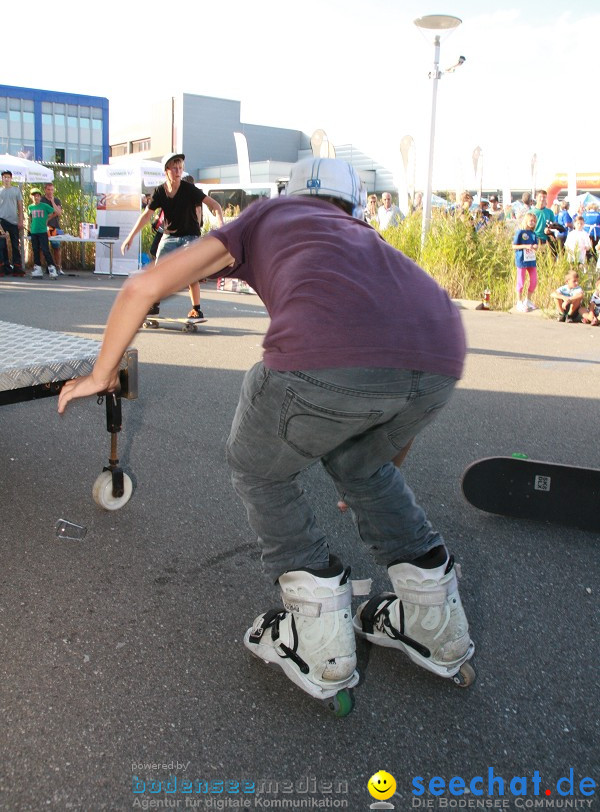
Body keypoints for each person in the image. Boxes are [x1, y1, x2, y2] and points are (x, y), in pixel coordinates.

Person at [58, 157, 474, 705]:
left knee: (259, 465)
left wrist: (101, 373)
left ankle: (321, 637)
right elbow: (399, 396)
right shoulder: (368, 239)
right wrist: (371, 475)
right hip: (444, 354)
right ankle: (436, 623)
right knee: (361, 464)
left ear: (291, 195)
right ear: (350, 207)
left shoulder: (267, 216)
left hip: (323, 356)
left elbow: (142, 286)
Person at [120, 153, 224, 320]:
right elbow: (146, 215)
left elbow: (215, 205)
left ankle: (196, 309)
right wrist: (130, 237)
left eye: (180, 168)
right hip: (169, 237)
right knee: (157, 271)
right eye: (174, 168)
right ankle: (154, 306)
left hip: (190, 236)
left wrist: (221, 226)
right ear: (166, 171)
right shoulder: (160, 191)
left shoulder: (188, 189)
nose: (178, 171)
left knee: (190, 272)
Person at [28, 188, 58, 278]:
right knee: (35, 250)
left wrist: (47, 219)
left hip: (42, 231)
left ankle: (52, 268)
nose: (36, 197)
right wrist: (30, 227)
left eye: (37, 196)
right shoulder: (30, 207)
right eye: (34, 196)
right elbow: (31, 217)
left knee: (45, 250)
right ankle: (37, 268)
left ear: (40, 197)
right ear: (31, 197)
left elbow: (54, 212)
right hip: (34, 231)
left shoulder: (44, 206)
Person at [0, 170, 25, 276]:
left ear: (11, 178)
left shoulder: (16, 190)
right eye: (4, 177)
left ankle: (17, 267)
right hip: (2, 221)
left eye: (8, 177)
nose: (6, 179)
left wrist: (20, 220)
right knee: (2, 245)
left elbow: (20, 206)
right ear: (2, 179)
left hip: (14, 221)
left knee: (15, 245)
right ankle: (4, 267)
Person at [512, 211, 539, 312]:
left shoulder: (533, 234)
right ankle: (519, 301)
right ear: (526, 221)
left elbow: (535, 245)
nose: (532, 223)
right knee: (521, 282)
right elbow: (514, 246)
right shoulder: (520, 232)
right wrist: (525, 246)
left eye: (534, 221)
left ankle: (528, 300)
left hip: (531, 260)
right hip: (522, 260)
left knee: (534, 280)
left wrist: (535, 247)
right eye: (531, 221)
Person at [42, 182, 65, 274]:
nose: (50, 191)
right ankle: (43, 267)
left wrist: (52, 202)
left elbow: (59, 213)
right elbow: (44, 214)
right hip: (44, 227)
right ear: (45, 190)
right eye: (48, 189)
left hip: (55, 227)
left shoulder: (57, 200)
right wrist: (52, 215)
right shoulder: (42, 200)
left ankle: (58, 268)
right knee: (42, 248)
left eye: (52, 189)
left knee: (56, 247)